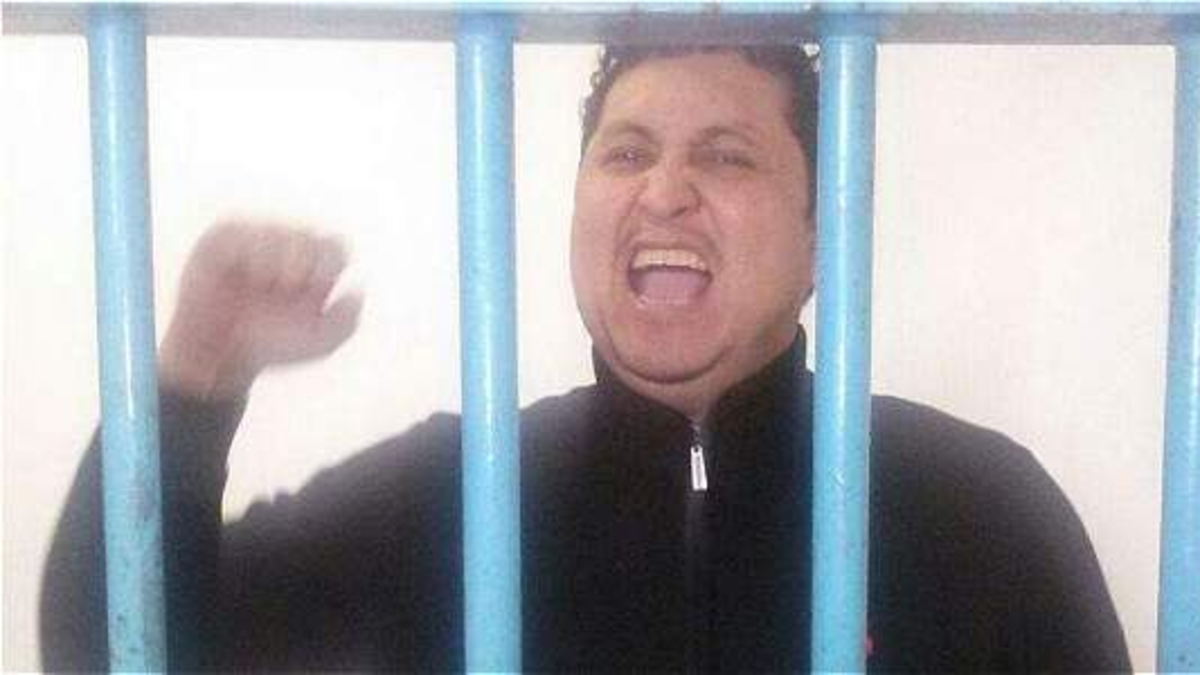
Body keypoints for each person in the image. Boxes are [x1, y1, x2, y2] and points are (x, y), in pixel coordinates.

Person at [41, 44, 1131, 672]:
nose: (664, 191)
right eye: (625, 153)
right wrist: (194, 384)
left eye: (727, 155)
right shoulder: (456, 493)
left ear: (819, 241)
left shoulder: (976, 509)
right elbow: (111, 649)